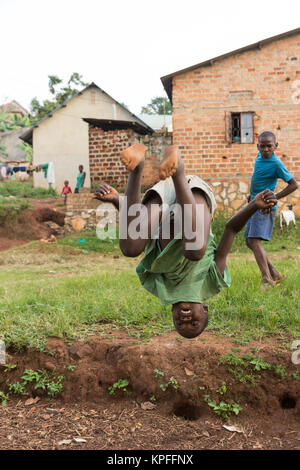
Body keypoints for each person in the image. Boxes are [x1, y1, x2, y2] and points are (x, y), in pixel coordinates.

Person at [94, 144, 277, 339]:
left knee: (130, 249)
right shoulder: (213, 282)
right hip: (193, 197)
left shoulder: (159, 287)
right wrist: (253, 205)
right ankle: (177, 168)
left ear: (172, 314)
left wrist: (116, 201)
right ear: (205, 310)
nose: (186, 319)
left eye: (179, 323)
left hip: (163, 207)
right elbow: (231, 229)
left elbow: (142, 231)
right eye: (194, 322)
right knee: (195, 252)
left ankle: (137, 167)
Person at [244, 132, 298, 286]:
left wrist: (274, 197)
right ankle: (274, 273)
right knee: (249, 241)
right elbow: (259, 178)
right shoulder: (259, 157)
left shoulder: (276, 164)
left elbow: (294, 184)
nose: (266, 149)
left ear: (276, 146)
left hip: (265, 206)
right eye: (262, 146)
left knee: (254, 241)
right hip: (254, 203)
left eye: (269, 146)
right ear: (258, 147)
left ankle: (267, 279)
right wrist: (252, 195)